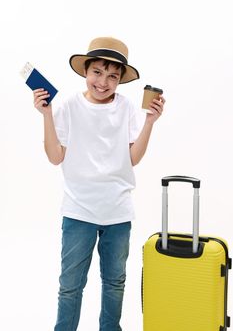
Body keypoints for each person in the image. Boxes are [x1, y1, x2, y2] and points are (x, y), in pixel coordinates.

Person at [33, 37, 165, 331]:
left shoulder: (128, 107)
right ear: (86, 71)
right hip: (78, 211)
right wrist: (47, 115)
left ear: (120, 80)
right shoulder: (68, 105)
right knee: (70, 286)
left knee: (115, 283)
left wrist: (149, 123)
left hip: (118, 212)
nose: (103, 82)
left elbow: (133, 158)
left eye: (112, 76)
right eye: (97, 72)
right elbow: (56, 157)